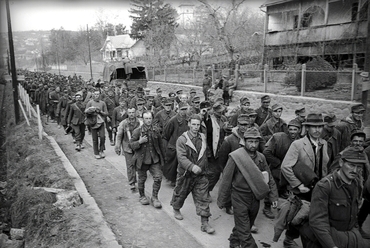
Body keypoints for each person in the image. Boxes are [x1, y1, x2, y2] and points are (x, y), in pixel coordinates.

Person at [218, 127, 278, 248]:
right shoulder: (236, 157)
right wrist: (222, 200)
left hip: (255, 197)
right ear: (244, 141)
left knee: (246, 225)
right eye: (250, 141)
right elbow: (226, 179)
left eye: (256, 142)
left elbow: (269, 177)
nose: (253, 145)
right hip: (239, 196)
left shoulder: (261, 157)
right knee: (245, 232)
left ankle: (234, 241)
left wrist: (273, 197)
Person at [303, 146, 370, 248]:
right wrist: (332, 246)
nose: (355, 170)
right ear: (341, 163)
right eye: (351, 165)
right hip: (326, 239)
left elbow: (354, 216)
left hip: (348, 237)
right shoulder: (325, 186)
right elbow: (318, 222)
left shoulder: (356, 183)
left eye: (359, 166)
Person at [281, 113, 329, 247]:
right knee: (298, 217)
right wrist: (298, 184)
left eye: (320, 126)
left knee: (314, 216)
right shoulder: (298, 144)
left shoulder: (324, 143)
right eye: (314, 127)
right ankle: (289, 239)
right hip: (303, 189)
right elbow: (286, 167)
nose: (317, 130)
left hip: (319, 187)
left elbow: (325, 166)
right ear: (307, 128)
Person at [171, 114, 215, 234]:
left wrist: (206, 166)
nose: (195, 127)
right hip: (186, 174)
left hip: (201, 174)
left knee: (203, 198)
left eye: (198, 124)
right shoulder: (182, 139)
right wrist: (192, 166)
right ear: (189, 124)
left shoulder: (203, 137)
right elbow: (181, 157)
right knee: (181, 193)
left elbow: (206, 153)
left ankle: (205, 223)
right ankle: (176, 208)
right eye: (193, 124)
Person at [130, 111, 165, 208]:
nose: (148, 121)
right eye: (146, 118)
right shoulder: (137, 131)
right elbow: (131, 145)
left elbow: (160, 145)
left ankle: (154, 197)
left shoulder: (156, 130)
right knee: (141, 179)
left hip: (154, 159)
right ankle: (142, 196)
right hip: (142, 160)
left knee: (158, 178)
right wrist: (139, 142)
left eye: (150, 118)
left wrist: (163, 158)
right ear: (143, 119)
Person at [263, 119, 302, 199]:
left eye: (295, 129)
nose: (292, 132)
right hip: (276, 169)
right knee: (273, 192)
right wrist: (278, 163)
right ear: (287, 129)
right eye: (290, 129)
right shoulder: (279, 137)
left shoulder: (301, 141)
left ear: (299, 130)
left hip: (291, 170)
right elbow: (267, 152)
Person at [162, 102, 189, 186]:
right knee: (173, 166)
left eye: (185, 109)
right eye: (182, 109)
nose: (183, 112)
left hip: (185, 146)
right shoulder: (173, 120)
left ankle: (182, 181)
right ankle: (174, 180)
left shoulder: (189, 120)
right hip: (174, 146)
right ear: (178, 110)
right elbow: (166, 134)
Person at [115, 106, 141, 190]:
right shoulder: (124, 123)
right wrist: (118, 146)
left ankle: (138, 180)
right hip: (127, 147)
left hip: (137, 147)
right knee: (130, 165)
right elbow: (119, 135)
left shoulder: (140, 122)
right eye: (129, 113)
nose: (131, 114)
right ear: (127, 113)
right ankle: (132, 182)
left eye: (133, 112)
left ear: (135, 112)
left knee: (138, 164)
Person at [204, 102, 228, 194]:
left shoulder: (223, 118)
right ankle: (206, 190)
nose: (221, 114)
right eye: (218, 112)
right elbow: (206, 136)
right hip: (212, 149)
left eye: (222, 112)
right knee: (214, 173)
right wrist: (208, 151)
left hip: (222, 149)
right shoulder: (209, 120)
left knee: (223, 172)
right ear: (214, 111)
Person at [85, 90, 108, 159]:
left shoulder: (103, 103)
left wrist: (100, 111)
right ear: (93, 95)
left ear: (100, 95)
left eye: (98, 94)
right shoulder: (90, 102)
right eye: (95, 94)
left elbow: (106, 113)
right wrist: (91, 110)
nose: (96, 96)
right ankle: (96, 152)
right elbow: (85, 112)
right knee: (95, 138)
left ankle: (101, 150)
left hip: (101, 121)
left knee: (102, 136)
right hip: (93, 122)